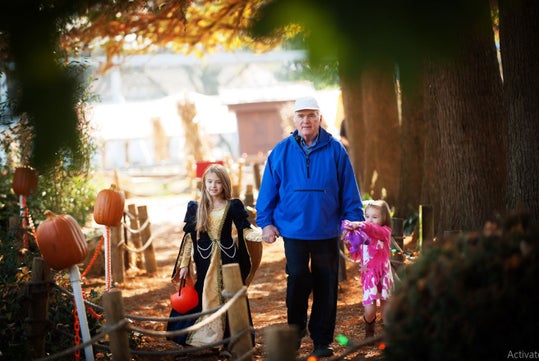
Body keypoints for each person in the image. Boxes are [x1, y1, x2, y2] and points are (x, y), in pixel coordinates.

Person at [256, 96, 364, 358]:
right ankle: (294, 332)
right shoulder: (281, 151)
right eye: (301, 116)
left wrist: (353, 220)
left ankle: (322, 339)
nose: (306, 120)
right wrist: (266, 222)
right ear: (294, 120)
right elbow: (268, 191)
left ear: (319, 119)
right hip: (293, 230)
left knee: (326, 284)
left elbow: (349, 190)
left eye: (311, 115)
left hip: (327, 230)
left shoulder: (336, 150)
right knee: (297, 280)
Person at [167, 164, 261, 349]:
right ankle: (202, 336)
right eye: (209, 182)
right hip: (204, 257)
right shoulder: (197, 207)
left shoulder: (232, 205)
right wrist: (184, 263)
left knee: (230, 292)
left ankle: (232, 340)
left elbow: (244, 230)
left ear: (225, 184)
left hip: (228, 256)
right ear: (204, 183)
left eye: (218, 182)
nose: (213, 186)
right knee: (204, 291)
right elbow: (189, 238)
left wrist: (262, 235)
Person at [342, 200, 394, 338]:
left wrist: (360, 224)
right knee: (370, 310)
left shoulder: (385, 232)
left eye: (375, 217)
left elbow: (374, 230)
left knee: (386, 306)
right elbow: (358, 255)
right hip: (369, 276)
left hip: (383, 275)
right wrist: (349, 241)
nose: (370, 220)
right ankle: (369, 331)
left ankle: (389, 337)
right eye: (367, 216)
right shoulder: (363, 235)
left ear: (384, 218)